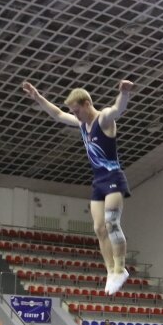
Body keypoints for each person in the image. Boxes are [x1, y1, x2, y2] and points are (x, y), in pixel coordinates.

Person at [22, 79, 135, 295]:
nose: (76, 115)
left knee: (112, 222)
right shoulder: (82, 124)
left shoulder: (104, 120)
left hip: (113, 177)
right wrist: (38, 97)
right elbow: (57, 114)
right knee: (99, 228)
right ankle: (111, 271)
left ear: (86, 104)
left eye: (77, 111)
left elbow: (118, 110)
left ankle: (121, 268)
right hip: (98, 181)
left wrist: (124, 93)